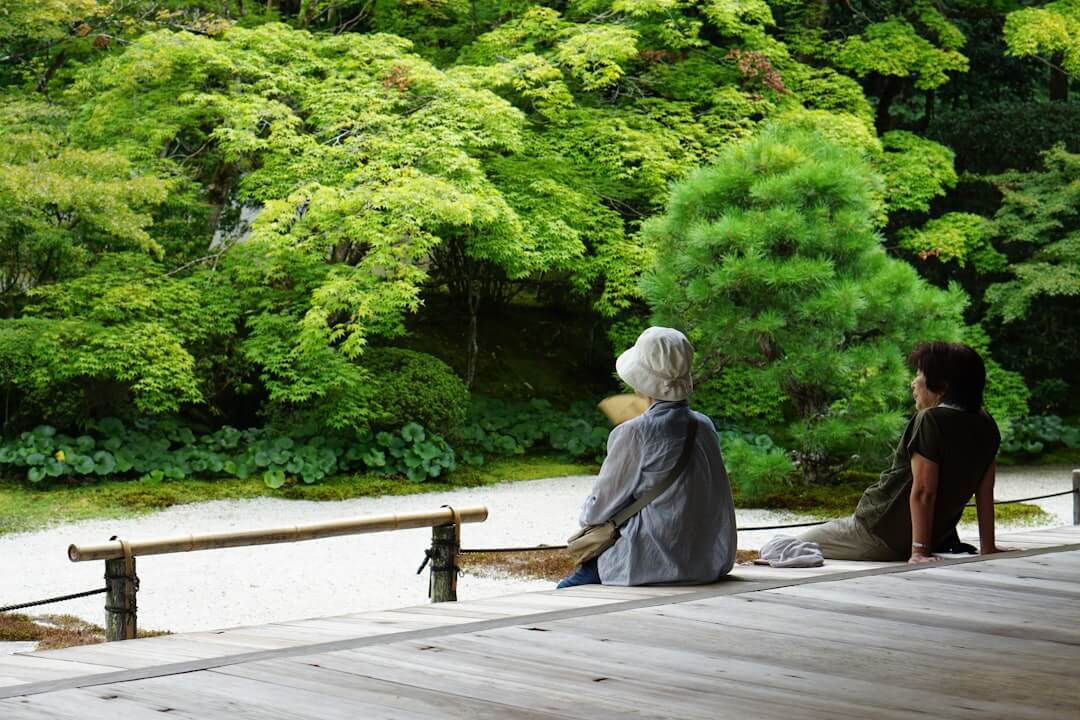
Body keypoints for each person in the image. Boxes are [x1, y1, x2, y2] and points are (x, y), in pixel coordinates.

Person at [557, 327, 738, 588]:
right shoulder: (704, 426)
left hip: (649, 563)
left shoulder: (634, 433)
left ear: (640, 382)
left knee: (566, 590)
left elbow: (596, 512)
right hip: (707, 562)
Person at [800, 341, 1008, 564]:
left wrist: (918, 552)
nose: (914, 382)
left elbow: (924, 492)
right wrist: (988, 547)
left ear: (942, 387)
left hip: (876, 532)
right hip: (929, 539)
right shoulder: (986, 424)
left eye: (920, 373)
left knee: (789, 544)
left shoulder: (931, 420)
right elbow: (985, 491)